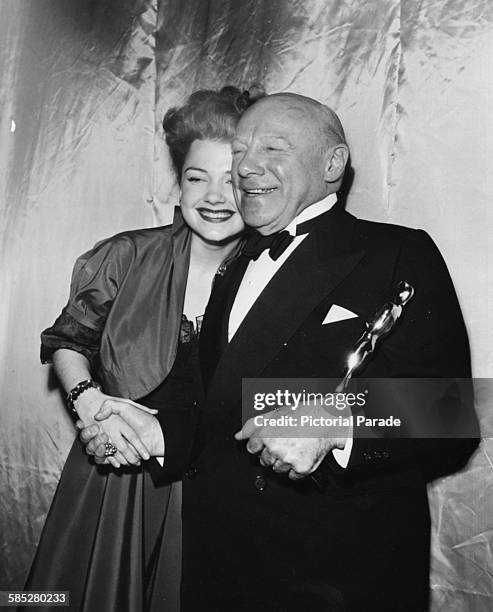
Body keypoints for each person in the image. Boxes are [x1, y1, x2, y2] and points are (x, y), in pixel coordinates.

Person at [85, 93, 479, 611]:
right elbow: (226, 407)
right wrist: (158, 432)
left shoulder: (397, 252)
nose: (246, 167)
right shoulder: (235, 265)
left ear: (333, 164)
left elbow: (448, 413)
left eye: (273, 147)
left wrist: (335, 425)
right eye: (241, 151)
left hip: (337, 580)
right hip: (216, 571)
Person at [24, 86, 259, 612]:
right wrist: (91, 405)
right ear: (180, 183)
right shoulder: (127, 254)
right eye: (199, 178)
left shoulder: (272, 274)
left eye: (232, 180)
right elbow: (66, 341)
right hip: (117, 479)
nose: (215, 197)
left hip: (218, 488)